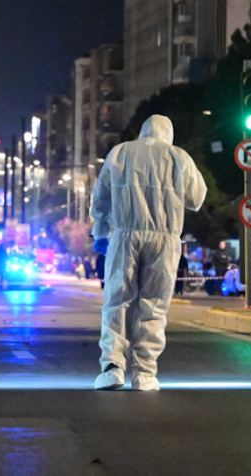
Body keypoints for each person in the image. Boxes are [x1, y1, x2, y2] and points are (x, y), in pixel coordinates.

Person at [90, 114, 207, 391]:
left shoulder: (120, 153)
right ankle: (144, 372)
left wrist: (101, 232)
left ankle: (112, 367)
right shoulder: (179, 157)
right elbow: (197, 198)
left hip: (124, 235)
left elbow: (101, 198)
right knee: (153, 304)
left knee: (117, 300)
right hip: (165, 239)